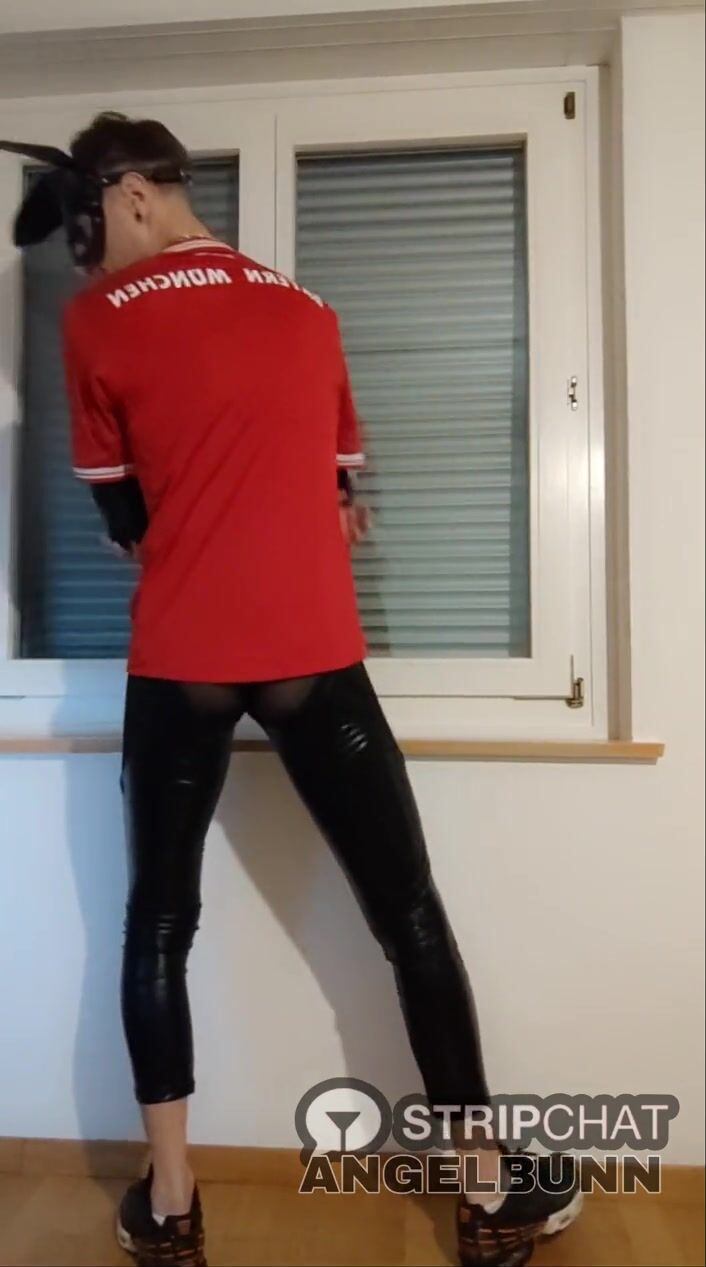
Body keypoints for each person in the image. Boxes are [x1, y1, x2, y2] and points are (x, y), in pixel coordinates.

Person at [1, 113, 581, 1267]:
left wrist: (188, 516)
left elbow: (124, 520)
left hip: (182, 658)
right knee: (408, 916)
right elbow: (342, 487)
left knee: (156, 924)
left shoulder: (95, 320)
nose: (87, 262)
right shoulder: (309, 309)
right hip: (311, 651)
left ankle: (172, 1205)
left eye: (86, 233)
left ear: (130, 197)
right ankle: (485, 1194)